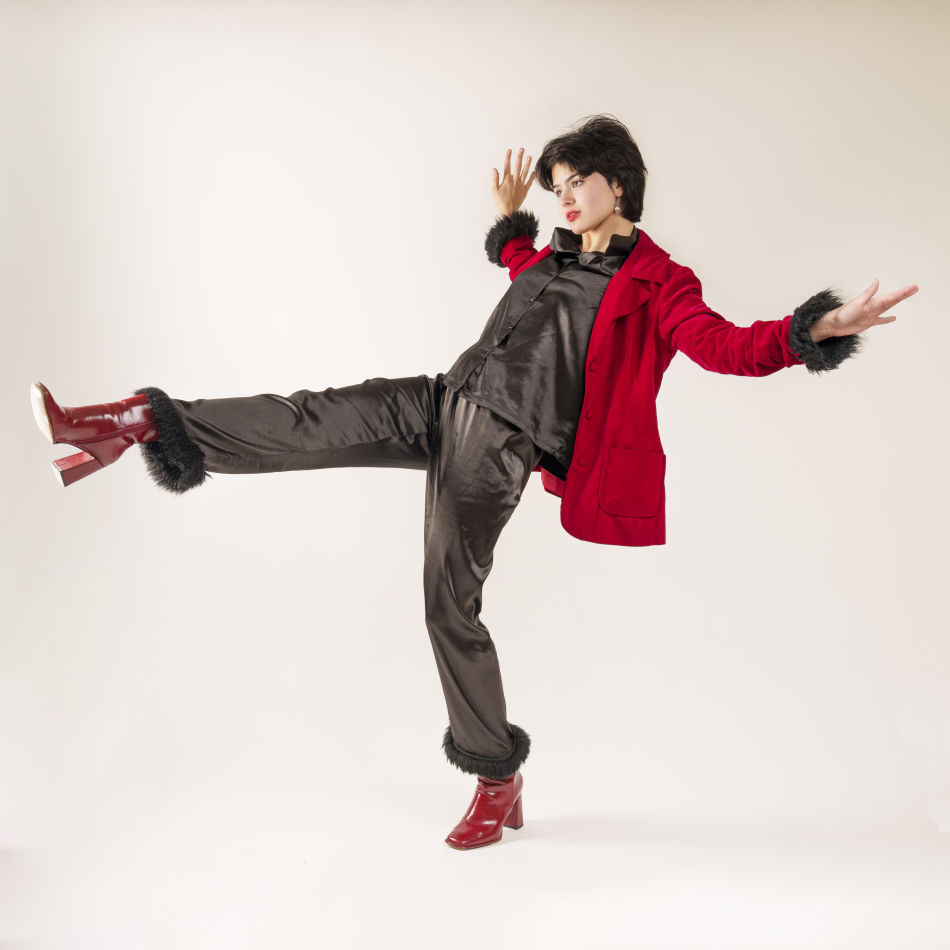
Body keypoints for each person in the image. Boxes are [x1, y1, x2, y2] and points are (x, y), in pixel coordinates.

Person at [30, 114, 919, 851]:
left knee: (445, 604)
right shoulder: (554, 258)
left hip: (498, 444)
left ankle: (497, 776)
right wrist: (512, 229)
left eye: (576, 181)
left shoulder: (657, 282)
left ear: (618, 184)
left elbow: (724, 345)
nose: (563, 195)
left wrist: (814, 330)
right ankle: (131, 423)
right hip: (443, 397)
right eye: (556, 184)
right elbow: (521, 270)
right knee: (311, 415)